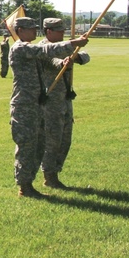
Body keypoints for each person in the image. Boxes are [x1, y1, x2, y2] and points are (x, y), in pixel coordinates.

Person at [8, 17, 87, 198]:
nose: (35, 32)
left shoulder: (30, 49)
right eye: (30, 29)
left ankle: (31, 183)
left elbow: (49, 57)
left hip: (37, 104)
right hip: (24, 105)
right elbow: (45, 49)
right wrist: (73, 43)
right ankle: (24, 187)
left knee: (38, 145)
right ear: (20, 30)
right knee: (27, 146)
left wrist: (65, 61)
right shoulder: (20, 48)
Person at [39, 18, 90, 189]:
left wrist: (74, 58)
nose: (63, 34)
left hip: (65, 98)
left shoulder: (65, 46)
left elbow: (85, 56)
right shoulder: (42, 48)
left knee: (65, 138)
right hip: (51, 99)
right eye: (59, 31)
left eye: (63, 31)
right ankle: (49, 175)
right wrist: (62, 62)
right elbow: (50, 60)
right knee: (52, 138)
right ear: (48, 31)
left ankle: (55, 171)